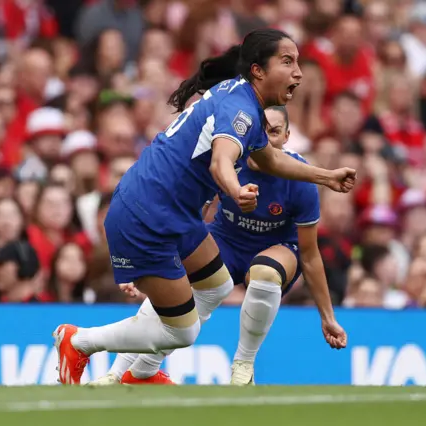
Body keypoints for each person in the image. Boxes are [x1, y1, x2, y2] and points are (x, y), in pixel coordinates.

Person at [53, 28, 356, 385]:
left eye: (298, 63)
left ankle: (139, 373)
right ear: (258, 70)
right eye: (287, 62)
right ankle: (80, 341)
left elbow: (270, 160)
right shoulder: (242, 110)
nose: (299, 72)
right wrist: (235, 188)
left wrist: (325, 176)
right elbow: (221, 162)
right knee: (182, 332)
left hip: (170, 210)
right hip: (146, 215)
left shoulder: (243, 99)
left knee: (217, 285)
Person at [93, 106, 347, 386]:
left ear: (286, 137)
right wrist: (150, 266)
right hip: (226, 240)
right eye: (260, 130)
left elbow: (309, 254)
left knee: (264, 272)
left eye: (274, 132)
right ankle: (120, 374)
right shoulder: (226, 161)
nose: (266, 138)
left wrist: (328, 317)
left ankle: (243, 365)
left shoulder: (301, 181)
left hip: (279, 247)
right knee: (176, 288)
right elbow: (189, 217)